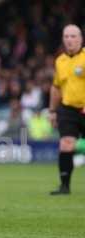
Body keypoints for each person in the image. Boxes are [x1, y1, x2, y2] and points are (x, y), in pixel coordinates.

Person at [49, 24, 85, 195]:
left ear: (81, 39)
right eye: (66, 36)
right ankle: (65, 186)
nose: (69, 40)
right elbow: (56, 87)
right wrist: (52, 111)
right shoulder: (60, 61)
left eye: (73, 36)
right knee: (66, 144)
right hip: (68, 109)